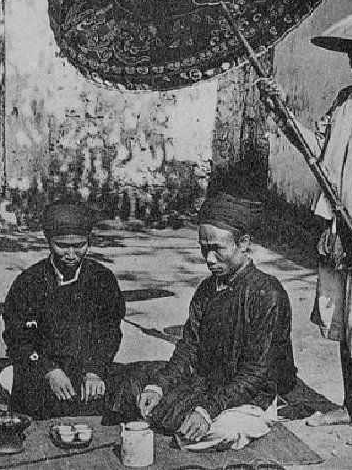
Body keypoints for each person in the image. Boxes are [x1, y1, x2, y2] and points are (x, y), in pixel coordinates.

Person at [259, 2, 352, 448]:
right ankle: (351, 407)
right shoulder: (346, 98)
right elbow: (315, 149)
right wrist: (282, 111)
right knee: (343, 321)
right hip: (339, 229)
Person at [106, 193, 298, 451]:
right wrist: (158, 387)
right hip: (204, 384)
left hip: (249, 396)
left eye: (218, 249)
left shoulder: (268, 293)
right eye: (204, 249)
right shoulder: (206, 289)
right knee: (134, 385)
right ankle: (175, 418)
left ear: (243, 243)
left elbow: (256, 373)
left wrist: (207, 411)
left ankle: (182, 424)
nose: (209, 259)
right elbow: (188, 350)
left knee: (222, 428)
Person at [0, 202, 126, 419]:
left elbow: (110, 332)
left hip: (87, 373)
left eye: (79, 245)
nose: (71, 254)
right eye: (62, 246)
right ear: (48, 241)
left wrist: (95, 370)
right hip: (42, 371)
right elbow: (17, 338)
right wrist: (49, 370)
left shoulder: (102, 279)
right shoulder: (29, 282)